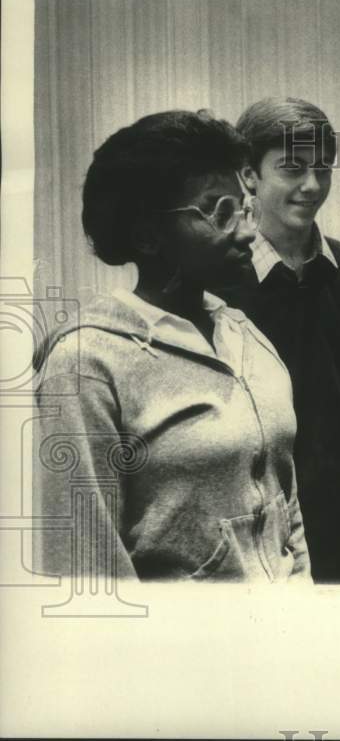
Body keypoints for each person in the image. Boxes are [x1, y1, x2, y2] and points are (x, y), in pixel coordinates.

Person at [34, 110, 311, 582]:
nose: (247, 232)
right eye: (219, 211)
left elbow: (289, 516)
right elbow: (89, 567)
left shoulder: (247, 337)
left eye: (243, 209)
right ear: (146, 235)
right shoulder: (87, 365)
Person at [219, 97, 340, 583]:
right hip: (255, 536)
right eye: (292, 169)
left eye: (322, 169)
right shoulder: (218, 280)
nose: (312, 185)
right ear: (248, 176)